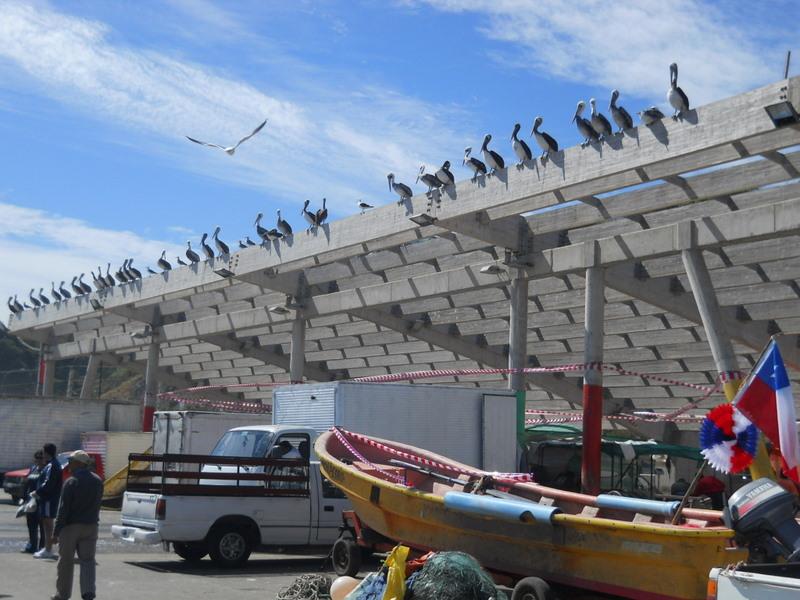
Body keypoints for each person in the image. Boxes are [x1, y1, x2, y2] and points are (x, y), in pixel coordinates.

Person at [51, 450, 103, 600]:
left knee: (66, 561)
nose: (69, 463)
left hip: (71, 527)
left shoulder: (71, 481)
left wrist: (56, 532)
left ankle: (63, 594)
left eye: (71, 461)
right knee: (88, 561)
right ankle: (88, 592)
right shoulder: (97, 480)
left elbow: (63, 509)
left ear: (79, 463)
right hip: (91, 526)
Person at [34, 442, 63, 559]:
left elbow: (48, 484)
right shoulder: (53, 464)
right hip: (49, 498)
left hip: (49, 499)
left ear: (46, 452)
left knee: (48, 523)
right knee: (47, 523)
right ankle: (47, 548)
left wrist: (37, 492)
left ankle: (48, 549)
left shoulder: (53, 465)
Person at [22, 450, 46, 553]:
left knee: (42, 526)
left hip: (41, 502)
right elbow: (27, 483)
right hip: (30, 501)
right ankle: (32, 545)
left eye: (40, 459)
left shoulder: (46, 470)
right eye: (36, 458)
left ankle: (42, 547)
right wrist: (24, 498)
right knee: (31, 525)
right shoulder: (33, 468)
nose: (38, 461)